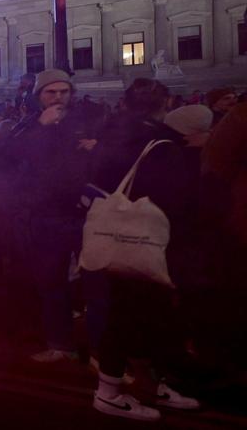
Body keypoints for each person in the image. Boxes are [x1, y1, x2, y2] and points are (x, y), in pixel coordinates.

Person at [87, 79, 200, 420]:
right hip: (147, 241)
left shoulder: (109, 136)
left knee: (137, 313)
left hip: (112, 238)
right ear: (165, 103)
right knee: (131, 314)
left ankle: (150, 384)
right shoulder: (162, 143)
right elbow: (174, 200)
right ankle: (108, 392)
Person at [8, 69, 96, 364]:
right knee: (51, 281)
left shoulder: (86, 121)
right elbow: (9, 155)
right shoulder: (29, 124)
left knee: (96, 283)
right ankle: (60, 343)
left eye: (64, 92)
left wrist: (97, 148)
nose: (58, 98)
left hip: (85, 212)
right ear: (39, 96)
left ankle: (102, 349)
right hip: (46, 214)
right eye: (51, 92)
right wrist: (42, 130)